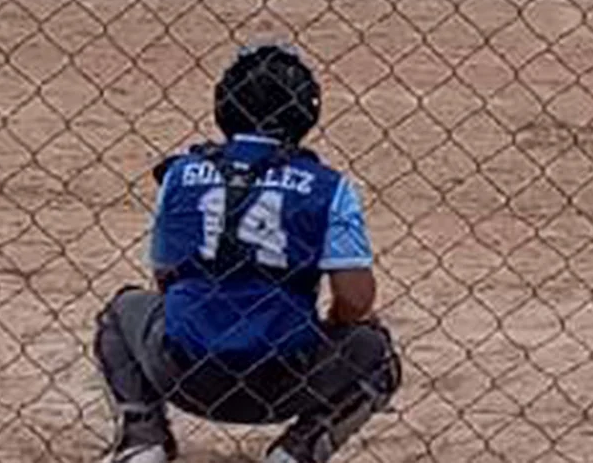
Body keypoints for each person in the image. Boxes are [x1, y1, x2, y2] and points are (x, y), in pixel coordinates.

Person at [93, 44, 402, 463]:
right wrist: (329, 327)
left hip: (183, 370)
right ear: (306, 112)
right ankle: (298, 451)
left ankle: (142, 439)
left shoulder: (181, 174)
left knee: (120, 312)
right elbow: (355, 299)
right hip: (285, 376)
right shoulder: (328, 186)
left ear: (224, 106)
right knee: (374, 350)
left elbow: (166, 277)